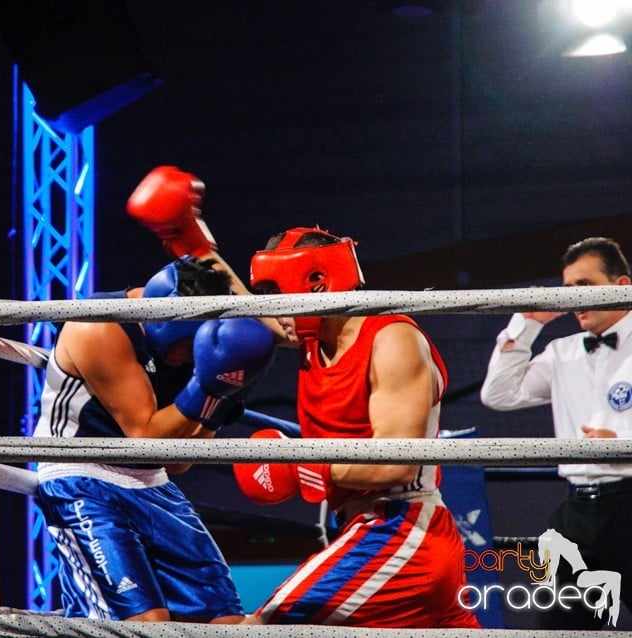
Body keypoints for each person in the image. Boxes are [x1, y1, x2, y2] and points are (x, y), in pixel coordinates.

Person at [33, 180, 276, 621]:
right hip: (84, 478)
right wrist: (205, 385)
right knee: (146, 626)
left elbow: (178, 461)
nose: (190, 360)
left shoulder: (195, 339)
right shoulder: (100, 327)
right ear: (168, 327)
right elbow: (145, 438)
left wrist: (219, 391)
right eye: (190, 350)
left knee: (226, 622)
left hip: (152, 482)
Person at [229, 226, 480, 628]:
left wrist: (300, 466)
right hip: (369, 529)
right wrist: (191, 240)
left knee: (263, 629)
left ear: (316, 286)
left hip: (401, 530)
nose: (274, 311)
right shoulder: (314, 333)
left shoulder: (391, 340)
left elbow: (396, 465)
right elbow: (255, 313)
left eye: (279, 294)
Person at [480, 236, 632, 629]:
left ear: (622, 287)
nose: (574, 298)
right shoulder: (562, 352)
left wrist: (625, 446)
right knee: (557, 629)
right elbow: (499, 393)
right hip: (578, 511)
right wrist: (528, 323)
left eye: (585, 286)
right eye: (568, 290)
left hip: (630, 502)